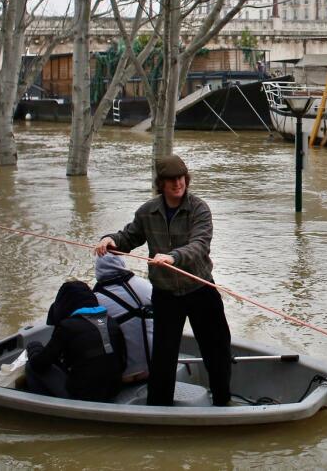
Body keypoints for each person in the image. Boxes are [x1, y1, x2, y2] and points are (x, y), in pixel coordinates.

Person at [95, 154, 233, 407]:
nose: (177, 184)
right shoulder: (147, 211)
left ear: (186, 179)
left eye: (180, 178)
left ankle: (223, 402)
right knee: (162, 356)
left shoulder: (199, 209)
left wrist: (172, 257)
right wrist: (110, 240)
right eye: (170, 180)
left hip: (200, 289)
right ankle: (159, 408)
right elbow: (128, 237)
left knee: (217, 349)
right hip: (166, 295)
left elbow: (199, 245)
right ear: (161, 183)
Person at [26, 280, 126, 402]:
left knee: (30, 366)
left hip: (81, 397)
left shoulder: (67, 327)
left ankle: (44, 407)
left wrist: (34, 349)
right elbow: (123, 363)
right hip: (113, 392)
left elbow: (40, 364)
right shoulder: (112, 323)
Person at [94, 253, 154, 383]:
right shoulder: (146, 285)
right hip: (154, 366)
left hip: (123, 375)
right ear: (122, 263)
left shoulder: (95, 299)